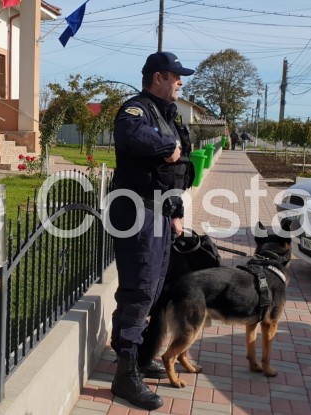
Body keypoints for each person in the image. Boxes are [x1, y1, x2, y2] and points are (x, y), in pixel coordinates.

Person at [108, 51, 195, 411]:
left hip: (159, 213)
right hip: (136, 210)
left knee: (154, 289)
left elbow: (171, 177)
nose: (180, 82)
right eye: (176, 76)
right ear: (158, 77)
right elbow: (130, 135)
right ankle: (124, 375)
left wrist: (176, 213)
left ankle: (141, 358)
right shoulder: (137, 109)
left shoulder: (167, 115)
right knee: (138, 290)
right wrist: (168, 147)